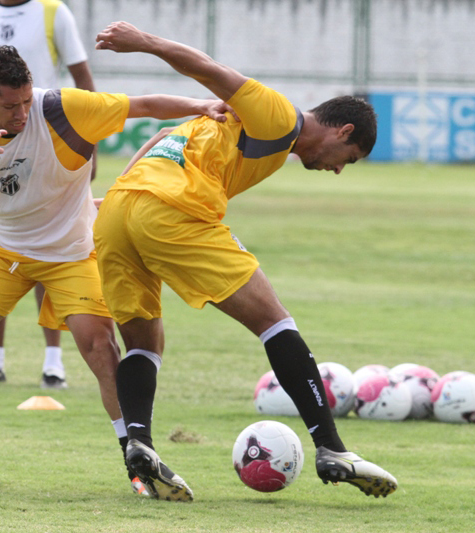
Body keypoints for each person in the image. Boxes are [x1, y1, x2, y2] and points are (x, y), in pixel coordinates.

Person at [92, 21, 399, 501]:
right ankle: (332, 449)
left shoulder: (254, 132)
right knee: (275, 322)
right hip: (173, 211)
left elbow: (168, 133)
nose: (339, 168)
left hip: (118, 212)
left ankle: (139, 445)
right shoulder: (280, 117)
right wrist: (143, 42)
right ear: (343, 130)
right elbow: (210, 70)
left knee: (143, 342)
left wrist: (117, 192)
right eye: (349, 156)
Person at [0, 45, 235, 487]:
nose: (21, 113)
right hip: (3, 254)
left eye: (26, 100)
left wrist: (202, 105)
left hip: (72, 254)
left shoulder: (62, 109)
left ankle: (139, 465)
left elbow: (141, 105)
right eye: (9, 106)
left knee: (101, 349)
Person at [0, 0, 96, 387]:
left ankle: (53, 362)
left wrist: (88, 144)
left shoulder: (54, 12)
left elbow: (82, 76)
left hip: (45, 151)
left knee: (51, 250)